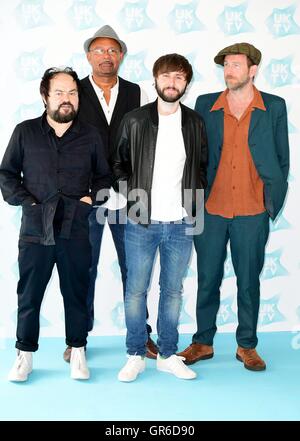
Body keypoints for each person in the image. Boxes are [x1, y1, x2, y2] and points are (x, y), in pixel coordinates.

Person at [179, 43, 289, 371]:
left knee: (248, 280)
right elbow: (194, 156)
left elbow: (282, 159)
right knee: (207, 278)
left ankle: (247, 346)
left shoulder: (274, 106)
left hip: (253, 211)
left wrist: (272, 201)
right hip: (211, 210)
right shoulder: (204, 105)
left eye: (236, 65)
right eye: (226, 65)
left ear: (252, 69)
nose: (229, 70)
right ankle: (202, 342)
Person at [0, 67, 112, 381]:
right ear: (45, 96)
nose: (67, 99)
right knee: (30, 294)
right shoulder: (25, 132)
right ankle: (24, 355)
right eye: (59, 92)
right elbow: (6, 175)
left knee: (76, 292)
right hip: (36, 229)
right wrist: (28, 203)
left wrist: (91, 200)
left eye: (73, 93)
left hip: (76, 229)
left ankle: (78, 351)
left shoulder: (90, 135)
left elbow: (105, 178)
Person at [63, 25, 158, 362]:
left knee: (134, 269)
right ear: (89, 55)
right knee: (82, 268)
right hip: (85, 198)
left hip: (129, 197)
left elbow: (148, 144)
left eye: (112, 50)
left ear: (121, 55)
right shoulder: (73, 92)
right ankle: (77, 340)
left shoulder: (138, 92)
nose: (106, 56)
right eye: (99, 50)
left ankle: (141, 335)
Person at [113, 53, 208, 382]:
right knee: (135, 291)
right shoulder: (135, 120)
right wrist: (133, 197)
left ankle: (168, 354)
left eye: (179, 77)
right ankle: (135, 353)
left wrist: (193, 203)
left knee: (173, 291)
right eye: (166, 76)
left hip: (182, 223)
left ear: (186, 83)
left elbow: (201, 167)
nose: (172, 82)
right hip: (142, 221)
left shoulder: (195, 122)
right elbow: (118, 165)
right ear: (155, 79)